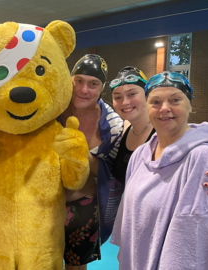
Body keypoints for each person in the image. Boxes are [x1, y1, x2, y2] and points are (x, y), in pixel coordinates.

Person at [111, 71, 208, 269]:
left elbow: (193, 240)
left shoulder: (201, 156)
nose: (165, 108)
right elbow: (129, 221)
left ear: (190, 105)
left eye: (175, 100)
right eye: (156, 102)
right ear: (147, 107)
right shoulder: (140, 154)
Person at [110, 66, 208, 198]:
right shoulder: (121, 130)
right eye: (117, 97)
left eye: (132, 94)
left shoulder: (167, 128)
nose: (125, 102)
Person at [59, 54, 123, 269]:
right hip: (46, 203)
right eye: (79, 81)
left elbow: (114, 174)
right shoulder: (52, 110)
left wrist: (83, 155)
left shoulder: (113, 126)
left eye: (93, 84)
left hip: (84, 205)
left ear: (101, 88)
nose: (84, 90)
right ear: (70, 80)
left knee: (76, 265)